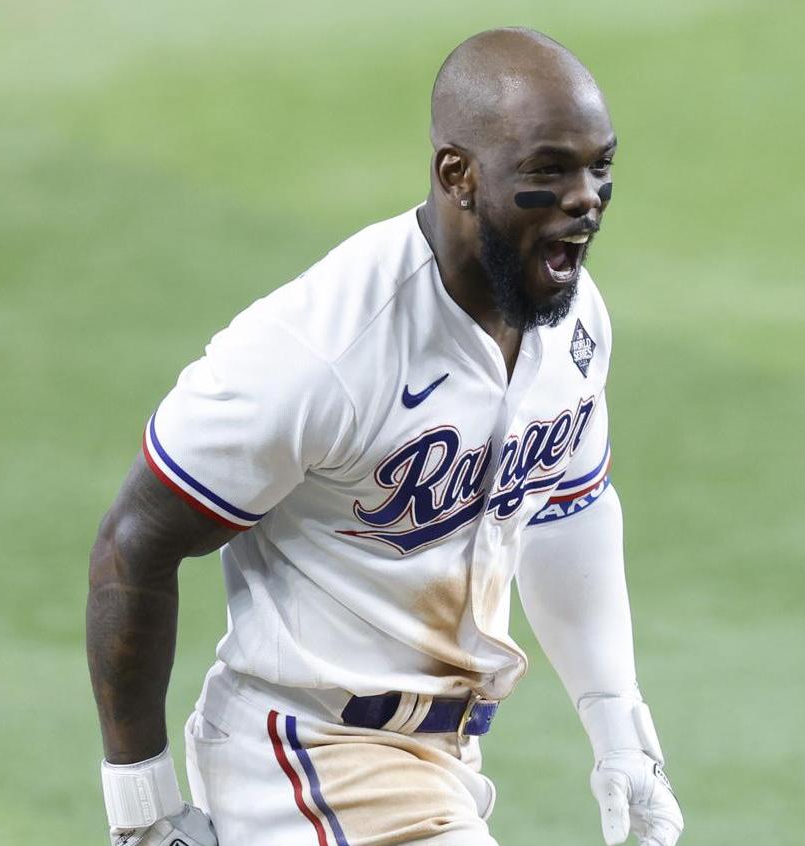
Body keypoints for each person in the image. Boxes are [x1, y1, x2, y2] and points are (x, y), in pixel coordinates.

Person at [86, 27, 683, 846]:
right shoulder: (322, 349)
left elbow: (563, 510)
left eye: (600, 166)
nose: (586, 197)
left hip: (441, 761)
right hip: (308, 756)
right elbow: (134, 541)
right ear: (458, 175)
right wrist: (143, 811)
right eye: (549, 170)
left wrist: (621, 731)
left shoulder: (572, 318)